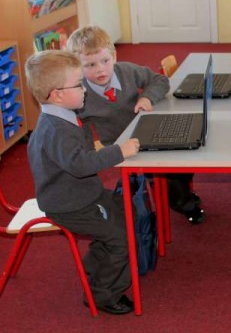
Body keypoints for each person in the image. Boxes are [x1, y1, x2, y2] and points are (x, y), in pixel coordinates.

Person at [26, 50, 140, 314]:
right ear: (57, 95)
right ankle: (102, 294)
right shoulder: (57, 129)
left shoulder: (64, 115)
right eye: (79, 85)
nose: (85, 90)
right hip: (70, 204)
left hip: (84, 194)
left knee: (126, 211)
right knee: (121, 238)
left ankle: (94, 269)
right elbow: (79, 165)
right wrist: (118, 152)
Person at [67, 25, 204, 224]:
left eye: (105, 61)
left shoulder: (127, 71)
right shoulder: (80, 95)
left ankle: (175, 189)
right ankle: (185, 203)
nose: (100, 70)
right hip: (122, 145)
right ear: (78, 67)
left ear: (114, 56)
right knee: (169, 168)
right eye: (90, 65)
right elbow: (83, 130)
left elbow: (160, 80)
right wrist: (92, 158)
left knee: (187, 147)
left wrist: (147, 98)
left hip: (150, 129)